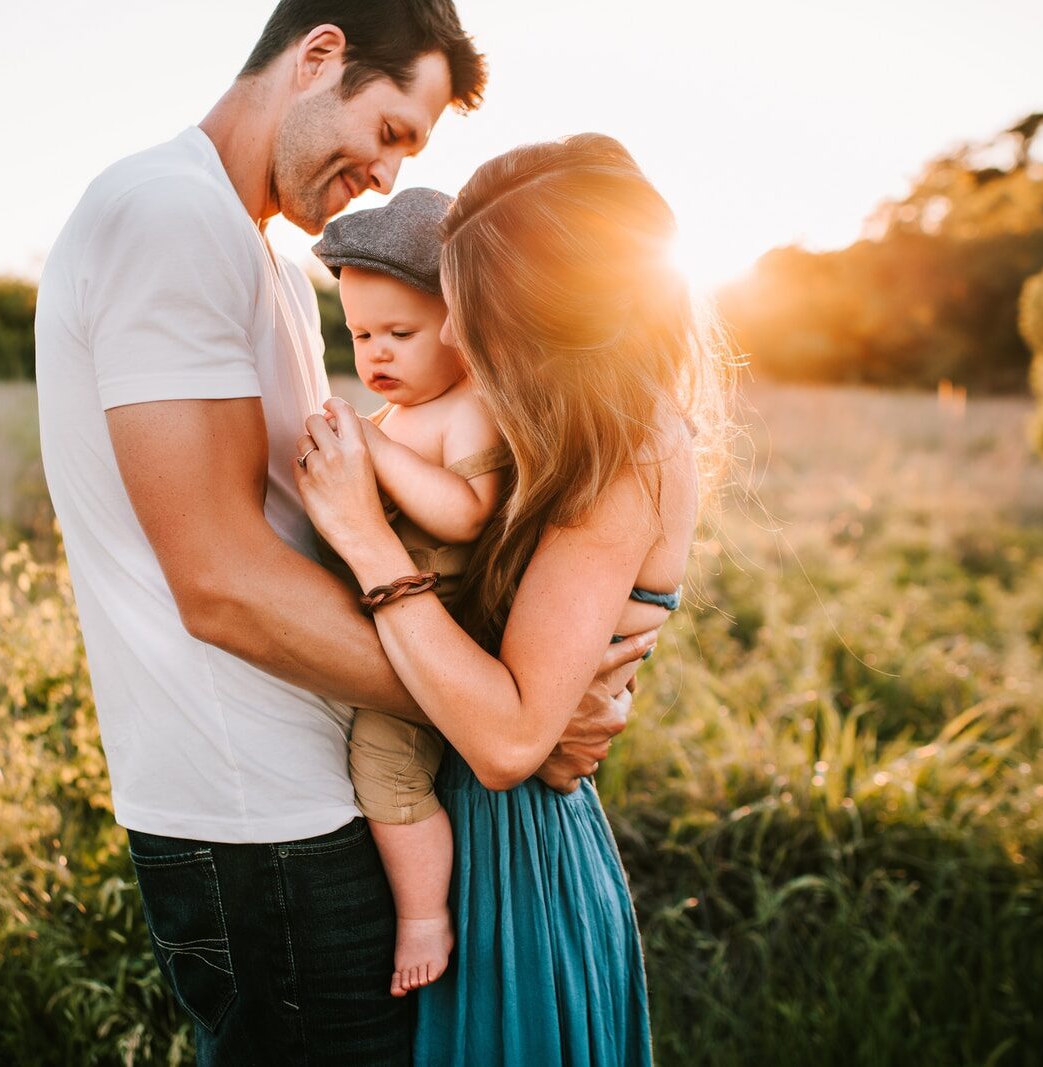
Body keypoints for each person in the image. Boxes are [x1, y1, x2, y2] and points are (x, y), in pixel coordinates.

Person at [33, 3, 656, 1063]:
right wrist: (511, 719)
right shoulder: (165, 215)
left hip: (326, 794)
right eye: (391, 132)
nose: (385, 174)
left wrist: (529, 683)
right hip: (260, 817)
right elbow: (221, 581)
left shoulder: (266, 261)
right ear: (319, 57)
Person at [293, 133, 730, 1065]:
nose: (454, 335)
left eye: (475, 309)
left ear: (557, 315)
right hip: (464, 830)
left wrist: (367, 540)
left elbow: (507, 741)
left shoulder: (627, 450)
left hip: (514, 861)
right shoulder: (552, 423)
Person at [309, 187, 510, 997]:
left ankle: (424, 913)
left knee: (384, 768)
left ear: (461, 327)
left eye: (400, 333)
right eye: (361, 335)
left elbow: (466, 514)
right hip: (389, 626)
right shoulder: (400, 412)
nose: (377, 355)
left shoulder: (469, 409)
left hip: (439, 643)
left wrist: (373, 451)